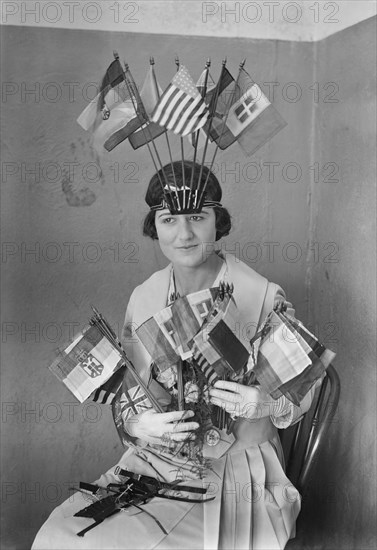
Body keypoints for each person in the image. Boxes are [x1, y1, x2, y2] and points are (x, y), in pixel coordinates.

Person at [32, 161, 317, 550]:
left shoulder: (263, 295)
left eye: (197, 217)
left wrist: (266, 402)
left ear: (218, 221)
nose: (184, 234)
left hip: (237, 469)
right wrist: (138, 425)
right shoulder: (145, 295)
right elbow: (129, 393)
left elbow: (303, 393)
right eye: (169, 219)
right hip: (155, 462)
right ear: (155, 227)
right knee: (59, 535)